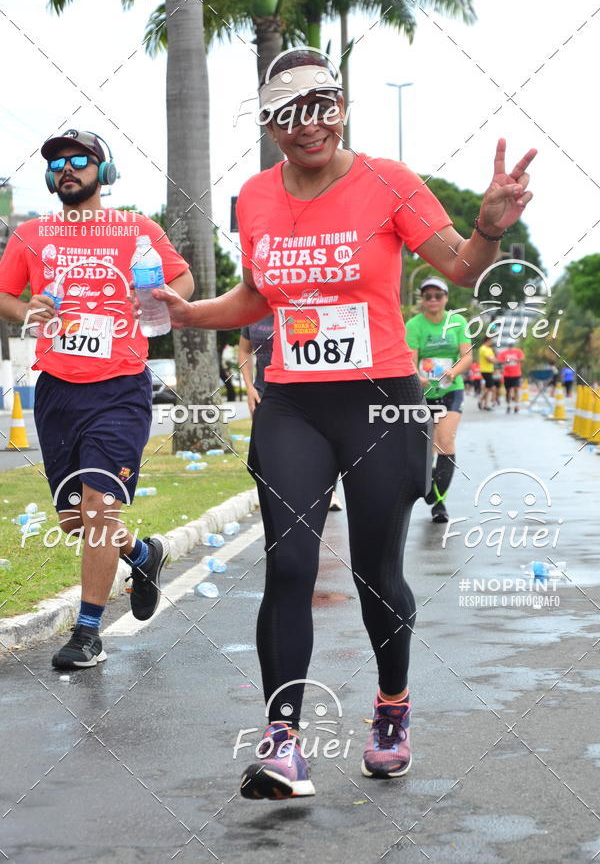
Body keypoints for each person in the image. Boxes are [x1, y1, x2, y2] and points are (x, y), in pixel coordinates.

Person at [154, 49, 535, 797]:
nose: (309, 124)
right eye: (290, 113)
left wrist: (488, 230)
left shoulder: (388, 181)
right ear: (269, 124)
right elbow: (261, 296)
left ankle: (391, 709)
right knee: (291, 565)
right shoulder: (256, 197)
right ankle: (281, 741)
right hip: (294, 401)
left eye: (323, 105)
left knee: (374, 573)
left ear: (343, 107)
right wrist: (193, 314)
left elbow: (459, 267)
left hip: (381, 401)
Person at [0, 129, 194, 670]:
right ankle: (142, 554)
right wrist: (28, 312)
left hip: (120, 386)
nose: (68, 169)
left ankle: (88, 633)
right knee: (75, 519)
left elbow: (185, 281)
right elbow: (4, 294)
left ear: (104, 172)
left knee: (99, 507)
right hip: (57, 389)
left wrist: (152, 296)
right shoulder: (32, 235)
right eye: (58, 163)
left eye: (80, 160)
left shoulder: (135, 228)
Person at [239, 313, 344, 511]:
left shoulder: (296, 305)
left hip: (302, 392)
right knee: (259, 456)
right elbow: (244, 350)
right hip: (264, 393)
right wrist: (249, 387)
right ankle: (275, 496)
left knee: (313, 446)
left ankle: (328, 490)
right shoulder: (252, 310)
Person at [406, 277, 472, 523]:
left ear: (446, 298)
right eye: (428, 296)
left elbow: (467, 356)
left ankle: (439, 503)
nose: (433, 300)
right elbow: (412, 359)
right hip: (423, 393)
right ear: (422, 300)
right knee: (427, 447)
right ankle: (431, 487)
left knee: (445, 441)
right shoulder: (414, 325)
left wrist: (453, 372)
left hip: (451, 389)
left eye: (438, 296)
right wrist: (418, 377)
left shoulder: (457, 321)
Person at [497, 340, 525, 413]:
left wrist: (516, 359)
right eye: (509, 345)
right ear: (507, 345)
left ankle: (516, 405)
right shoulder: (503, 353)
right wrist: (505, 361)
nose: (511, 346)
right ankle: (508, 406)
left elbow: (522, 359)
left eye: (512, 344)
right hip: (507, 374)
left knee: (516, 390)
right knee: (508, 391)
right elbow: (498, 362)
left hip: (516, 374)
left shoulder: (518, 351)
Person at [478, 335, 498, 410]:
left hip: (490, 370)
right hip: (485, 370)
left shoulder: (489, 349)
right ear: (487, 340)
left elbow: (493, 358)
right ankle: (485, 401)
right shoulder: (483, 349)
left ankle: (485, 404)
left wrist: (496, 361)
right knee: (492, 387)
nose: (491, 342)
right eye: (491, 341)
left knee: (488, 388)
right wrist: (498, 362)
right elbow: (489, 359)